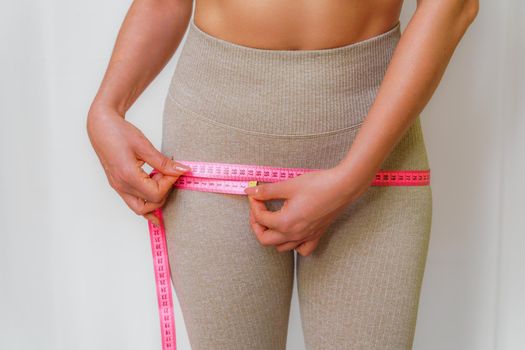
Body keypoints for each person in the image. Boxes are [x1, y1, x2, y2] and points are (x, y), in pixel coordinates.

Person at [87, 1, 478, 349]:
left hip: (376, 143)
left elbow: (453, 5)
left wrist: (353, 177)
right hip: (215, 134)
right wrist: (107, 106)